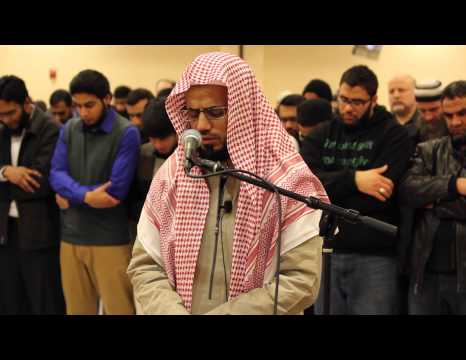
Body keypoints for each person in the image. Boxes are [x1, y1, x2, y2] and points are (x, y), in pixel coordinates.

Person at [127, 52, 327, 315]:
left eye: (215, 112)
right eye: (192, 112)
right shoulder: (173, 176)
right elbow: (145, 266)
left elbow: (301, 281)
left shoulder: (286, 180)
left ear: (243, 108)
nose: (201, 125)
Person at [301, 65, 413, 315]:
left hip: (375, 256)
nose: (348, 108)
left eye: (357, 102)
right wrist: (355, 180)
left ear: (374, 100)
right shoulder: (321, 134)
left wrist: (330, 189)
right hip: (326, 250)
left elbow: (382, 196)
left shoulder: (393, 135)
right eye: (343, 99)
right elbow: (305, 185)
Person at [49, 69, 140, 315]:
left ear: (107, 99)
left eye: (89, 105)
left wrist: (71, 194)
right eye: (78, 106)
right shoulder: (69, 128)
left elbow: (116, 190)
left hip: (110, 240)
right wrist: (87, 196)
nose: (83, 112)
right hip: (70, 238)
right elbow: (55, 175)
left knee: (120, 310)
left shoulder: (127, 132)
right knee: (77, 310)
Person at [399, 81, 466, 314]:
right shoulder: (429, 150)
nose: (455, 122)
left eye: (462, 113)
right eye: (449, 115)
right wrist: (455, 185)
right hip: (425, 273)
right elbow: (407, 190)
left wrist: (434, 203)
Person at [0, 75, 65, 314]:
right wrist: (7, 172)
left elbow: (40, 182)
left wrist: (8, 181)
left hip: (40, 233)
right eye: (1, 115)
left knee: (44, 302)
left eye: (10, 113)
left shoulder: (51, 129)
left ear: (26, 103)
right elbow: (17, 178)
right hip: (6, 231)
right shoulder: (2, 127)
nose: (6, 120)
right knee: (10, 301)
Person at [127, 97, 177, 240]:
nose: (158, 145)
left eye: (163, 138)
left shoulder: (190, 156)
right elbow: (134, 195)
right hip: (146, 228)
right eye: (153, 139)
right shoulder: (144, 153)